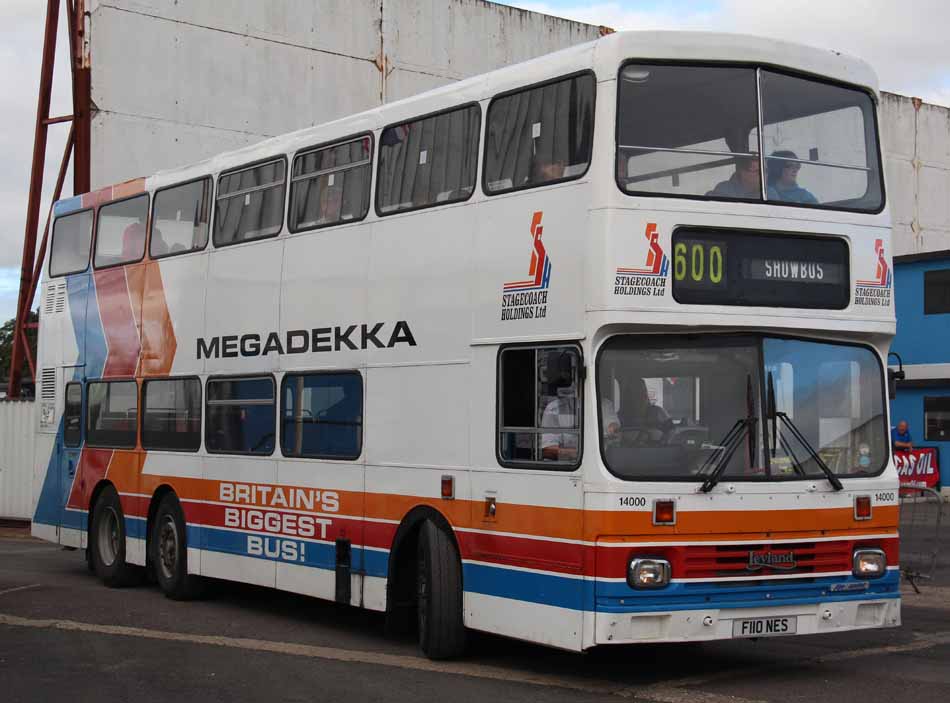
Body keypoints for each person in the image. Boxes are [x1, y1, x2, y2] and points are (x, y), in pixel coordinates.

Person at [540, 352, 619, 461]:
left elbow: (612, 424)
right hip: (567, 469)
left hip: (603, 463)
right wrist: (579, 453)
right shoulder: (554, 409)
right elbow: (548, 451)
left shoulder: (604, 404)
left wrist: (613, 429)